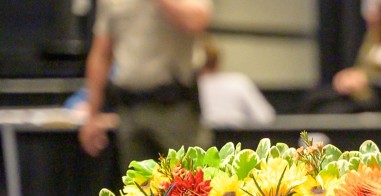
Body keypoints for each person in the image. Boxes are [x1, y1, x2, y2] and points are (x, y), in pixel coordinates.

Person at [78, 0, 213, 165]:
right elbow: (101, 54)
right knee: (139, 187)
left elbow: (197, 20)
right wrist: (92, 115)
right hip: (130, 110)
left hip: (175, 109)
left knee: (191, 184)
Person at [306, 0, 381, 114]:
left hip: (379, 100)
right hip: (356, 95)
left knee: (330, 112)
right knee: (315, 100)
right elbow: (361, 67)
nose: (369, 15)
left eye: (375, 12)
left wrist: (367, 79)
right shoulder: (373, 38)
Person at [197, 38, 276, 128]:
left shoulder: (191, 87)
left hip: (200, 140)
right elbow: (264, 117)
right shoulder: (238, 82)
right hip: (238, 138)